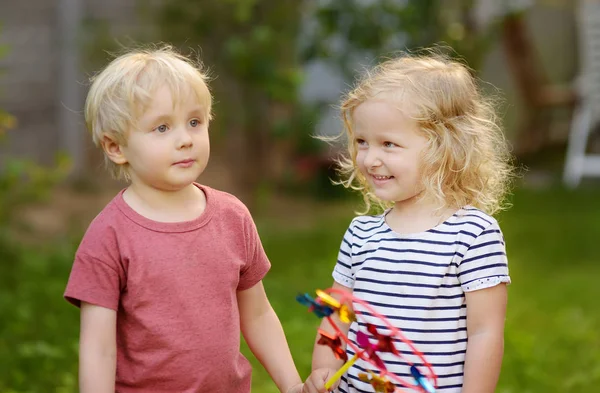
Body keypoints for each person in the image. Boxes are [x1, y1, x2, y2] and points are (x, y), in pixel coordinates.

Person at [64, 46, 304, 393]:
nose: (185, 140)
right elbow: (99, 349)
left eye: (194, 122)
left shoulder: (232, 216)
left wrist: (292, 384)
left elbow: (258, 314)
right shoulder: (109, 235)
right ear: (115, 147)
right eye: (162, 128)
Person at [304, 52, 514, 393]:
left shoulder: (473, 235)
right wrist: (324, 367)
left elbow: (485, 332)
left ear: (444, 148)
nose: (370, 158)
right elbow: (336, 314)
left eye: (388, 144)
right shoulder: (361, 234)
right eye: (362, 142)